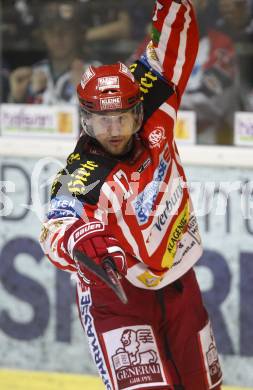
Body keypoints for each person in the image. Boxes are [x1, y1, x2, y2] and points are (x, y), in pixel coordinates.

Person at [40, 1, 223, 389]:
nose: (113, 130)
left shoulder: (156, 97)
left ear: (138, 111)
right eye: (101, 120)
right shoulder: (82, 175)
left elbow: (175, 37)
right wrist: (79, 240)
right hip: (117, 300)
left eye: (121, 117)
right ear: (86, 120)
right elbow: (55, 228)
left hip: (178, 281)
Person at [7, 1, 99, 104]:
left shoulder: (96, 73)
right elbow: (18, 118)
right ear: (43, 36)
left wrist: (86, 94)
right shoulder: (33, 73)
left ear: (77, 33)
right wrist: (17, 99)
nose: (58, 37)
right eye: (51, 30)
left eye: (65, 29)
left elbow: (108, 117)